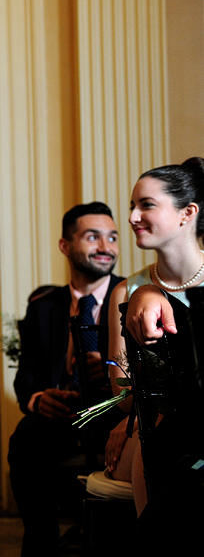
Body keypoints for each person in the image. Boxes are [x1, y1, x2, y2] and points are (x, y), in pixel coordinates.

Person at [8, 202, 123, 557]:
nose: (106, 247)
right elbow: (25, 375)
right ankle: (41, 546)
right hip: (61, 417)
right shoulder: (44, 306)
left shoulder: (135, 295)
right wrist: (38, 397)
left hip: (117, 415)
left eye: (113, 237)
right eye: (93, 237)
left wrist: (110, 374)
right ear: (65, 245)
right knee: (24, 438)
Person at [103, 158, 204, 524]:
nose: (131, 217)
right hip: (154, 428)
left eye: (146, 205)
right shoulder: (125, 291)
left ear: (186, 213)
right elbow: (121, 393)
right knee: (159, 445)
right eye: (132, 206)